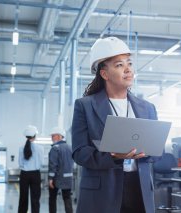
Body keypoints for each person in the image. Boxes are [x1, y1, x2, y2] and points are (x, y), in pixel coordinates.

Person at [71, 37, 159, 213]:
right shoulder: (85, 106)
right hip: (102, 193)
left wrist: (147, 152)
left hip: (139, 190)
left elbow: (156, 154)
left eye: (129, 63)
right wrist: (113, 156)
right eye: (119, 65)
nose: (128, 70)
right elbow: (79, 153)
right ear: (104, 74)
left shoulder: (147, 108)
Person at [18, 125, 44, 213]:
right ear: (35, 136)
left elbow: (20, 163)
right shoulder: (40, 148)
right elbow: (42, 163)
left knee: (23, 198)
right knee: (35, 199)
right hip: (35, 174)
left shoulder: (21, 148)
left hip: (24, 174)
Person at [48, 127, 74, 213]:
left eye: (53, 136)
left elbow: (53, 164)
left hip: (57, 178)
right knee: (67, 199)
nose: (51, 137)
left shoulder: (55, 148)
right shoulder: (70, 147)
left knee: (52, 198)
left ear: (59, 136)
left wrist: (50, 178)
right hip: (68, 177)